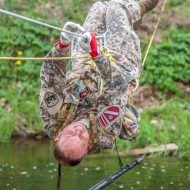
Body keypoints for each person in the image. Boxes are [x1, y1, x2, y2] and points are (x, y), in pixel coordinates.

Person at [40, 0, 159, 166]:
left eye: (71, 134)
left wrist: (62, 45)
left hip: (84, 62)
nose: (78, 131)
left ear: (58, 136)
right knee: (117, 8)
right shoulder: (105, 133)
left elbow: (51, 76)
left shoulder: (52, 119)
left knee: (100, 7)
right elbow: (117, 86)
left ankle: (130, 19)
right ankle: (144, 5)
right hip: (120, 67)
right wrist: (96, 53)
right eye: (81, 138)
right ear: (87, 148)